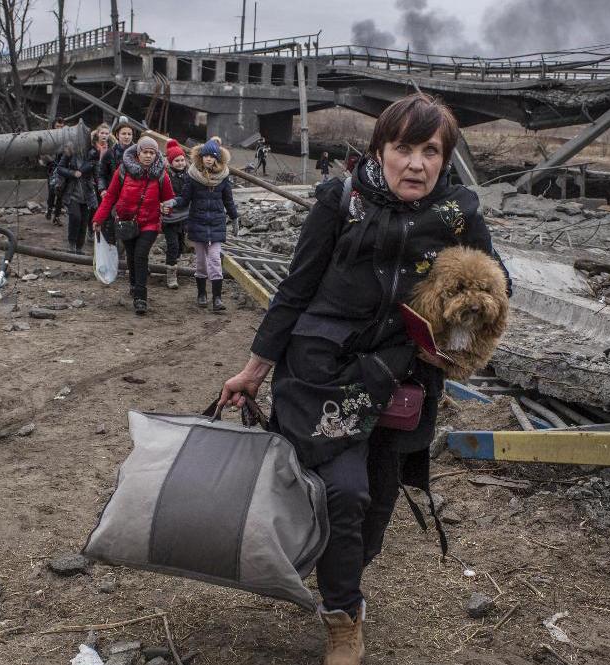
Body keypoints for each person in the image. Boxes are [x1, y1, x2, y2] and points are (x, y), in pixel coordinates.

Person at [217, 93, 511, 665]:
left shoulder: (459, 214)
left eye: (431, 151)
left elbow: (495, 290)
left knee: (374, 510)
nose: (417, 164)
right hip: (324, 374)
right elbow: (295, 289)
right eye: (403, 148)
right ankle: (342, 618)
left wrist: (457, 338)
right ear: (380, 149)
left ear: (445, 157)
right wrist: (255, 370)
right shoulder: (340, 200)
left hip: (402, 380)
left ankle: (339, 572)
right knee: (343, 494)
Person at [93, 135, 174, 316]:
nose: (148, 156)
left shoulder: (161, 174)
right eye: (145, 152)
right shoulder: (122, 171)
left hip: (150, 222)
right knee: (130, 256)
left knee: (140, 255)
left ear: (156, 155)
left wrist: (168, 209)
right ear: (138, 153)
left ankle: (140, 297)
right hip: (126, 221)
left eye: (152, 153)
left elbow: (169, 199)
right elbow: (111, 197)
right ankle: (133, 284)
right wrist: (98, 219)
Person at [163, 136, 238, 312]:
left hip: (216, 223)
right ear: (200, 157)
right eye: (205, 156)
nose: (208, 159)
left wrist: (234, 217)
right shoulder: (193, 176)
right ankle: (202, 294)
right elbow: (185, 198)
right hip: (197, 222)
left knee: (214, 259)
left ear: (217, 158)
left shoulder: (223, 176)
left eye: (211, 156)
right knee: (201, 263)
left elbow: (228, 199)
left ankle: (217, 298)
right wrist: (174, 202)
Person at [55, 140, 98, 255]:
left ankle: (79, 247)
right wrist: (73, 173)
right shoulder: (69, 152)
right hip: (71, 192)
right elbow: (59, 168)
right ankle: (72, 244)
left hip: (87, 193)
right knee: (75, 217)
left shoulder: (93, 153)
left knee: (84, 220)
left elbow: (96, 170)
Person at [161, 139, 191, 290]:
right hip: (169, 217)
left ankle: (174, 264)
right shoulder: (165, 176)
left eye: (182, 160)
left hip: (184, 216)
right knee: (172, 245)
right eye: (176, 160)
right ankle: (171, 274)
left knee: (180, 246)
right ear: (170, 162)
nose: (180, 163)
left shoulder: (189, 176)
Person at [98, 116, 136, 200]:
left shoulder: (138, 153)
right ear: (117, 135)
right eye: (123, 134)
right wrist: (102, 189)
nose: (127, 137)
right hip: (114, 193)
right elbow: (101, 174)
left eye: (129, 134)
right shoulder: (109, 153)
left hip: (133, 194)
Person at [40, 117, 67, 224]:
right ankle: (50, 209)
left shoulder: (65, 138)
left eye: (61, 126)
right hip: (51, 169)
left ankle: (57, 216)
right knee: (52, 192)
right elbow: (43, 154)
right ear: (53, 126)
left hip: (62, 169)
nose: (59, 128)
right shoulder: (49, 138)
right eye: (57, 126)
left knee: (60, 193)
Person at [90, 123, 115, 202]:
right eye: (102, 133)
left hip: (106, 180)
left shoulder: (112, 149)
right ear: (98, 134)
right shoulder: (91, 146)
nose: (104, 135)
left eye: (106, 133)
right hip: (92, 179)